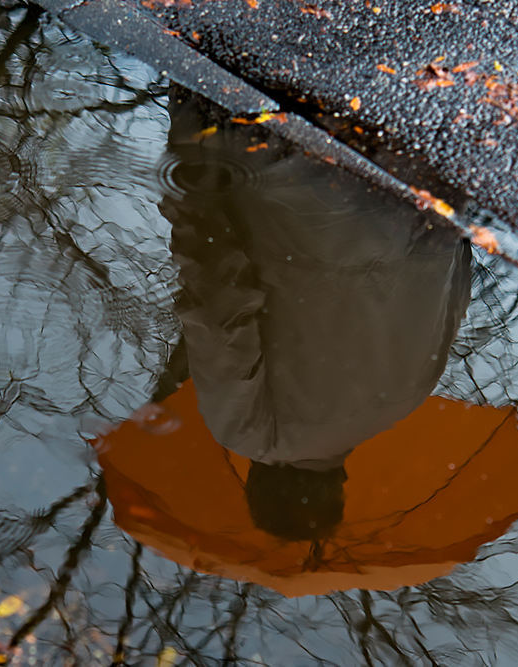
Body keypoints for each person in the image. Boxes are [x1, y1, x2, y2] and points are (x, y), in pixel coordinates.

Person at [154, 90, 472, 543]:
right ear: (258, 481)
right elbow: (215, 306)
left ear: (338, 484)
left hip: (405, 174)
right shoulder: (249, 434)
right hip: (285, 165)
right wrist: (191, 147)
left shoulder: (408, 400)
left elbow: (457, 275)